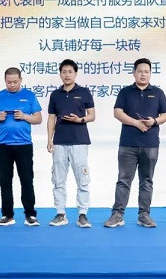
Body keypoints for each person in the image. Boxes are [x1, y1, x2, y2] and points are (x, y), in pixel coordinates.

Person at [104, 58, 166, 228]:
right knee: (123, 179)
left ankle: (144, 215)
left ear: (150, 74)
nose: (143, 74)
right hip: (128, 143)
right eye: (140, 71)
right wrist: (136, 123)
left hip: (150, 143)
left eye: (146, 72)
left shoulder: (158, 93)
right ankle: (117, 214)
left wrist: (154, 121)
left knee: (146, 181)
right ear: (134, 73)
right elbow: (117, 112)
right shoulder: (125, 92)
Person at [0, 67, 43, 226]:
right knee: (5, 181)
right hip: (2, 145)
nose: (12, 85)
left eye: (15, 82)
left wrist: (25, 116)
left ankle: (30, 214)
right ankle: (7, 215)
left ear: (21, 80)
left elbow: (38, 119)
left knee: (26, 180)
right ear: (5, 81)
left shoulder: (29, 96)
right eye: (9, 82)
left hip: (24, 145)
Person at [47, 59, 95, 228]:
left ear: (75, 73)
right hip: (59, 142)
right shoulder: (55, 95)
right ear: (60, 74)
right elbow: (51, 118)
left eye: (70, 72)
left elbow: (92, 115)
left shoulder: (84, 92)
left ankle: (82, 214)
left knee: (82, 179)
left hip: (79, 141)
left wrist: (79, 119)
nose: (67, 75)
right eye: (64, 72)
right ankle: (61, 213)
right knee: (58, 179)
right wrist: (49, 139)